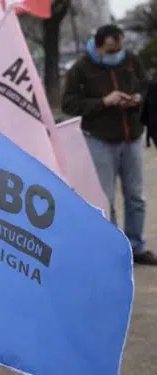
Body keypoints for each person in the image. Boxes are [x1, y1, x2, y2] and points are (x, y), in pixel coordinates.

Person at [62, 24, 157, 265]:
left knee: (136, 196)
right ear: (99, 45)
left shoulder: (132, 60)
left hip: (131, 137)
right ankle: (113, 249)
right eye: (112, 50)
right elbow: (69, 104)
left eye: (120, 49)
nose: (117, 54)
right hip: (99, 139)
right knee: (106, 198)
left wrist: (136, 99)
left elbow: (145, 87)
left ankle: (136, 246)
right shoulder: (80, 69)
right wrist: (103, 102)